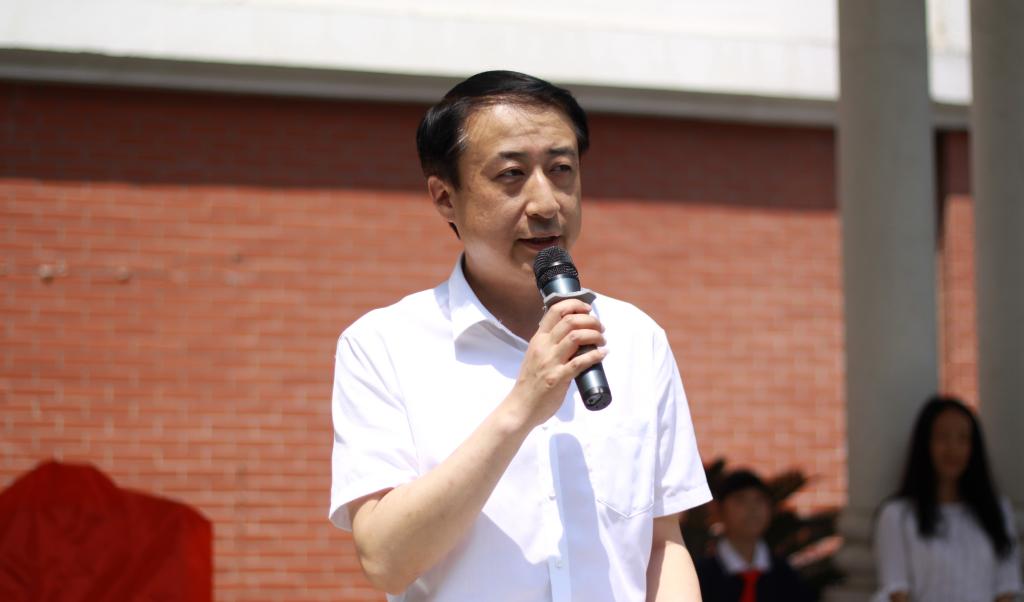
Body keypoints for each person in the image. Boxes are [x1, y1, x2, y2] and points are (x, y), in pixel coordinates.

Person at [328, 70, 712, 601]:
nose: (546, 203)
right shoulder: (381, 346)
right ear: (445, 197)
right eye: (512, 174)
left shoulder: (636, 338)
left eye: (561, 170)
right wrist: (524, 404)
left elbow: (662, 544)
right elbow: (384, 560)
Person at [874, 395, 1022, 602]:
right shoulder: (897, 515)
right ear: (925, 444)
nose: (953, 448)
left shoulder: (997, 510)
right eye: (942, 437)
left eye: (963, 439)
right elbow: (897, 590)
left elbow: (1007, 586)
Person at [695, 469, 813, 602]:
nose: (752, 509)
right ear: (718, 509)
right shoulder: (700, 576)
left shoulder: (786, 577)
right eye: (740, 500)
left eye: (759, 500)